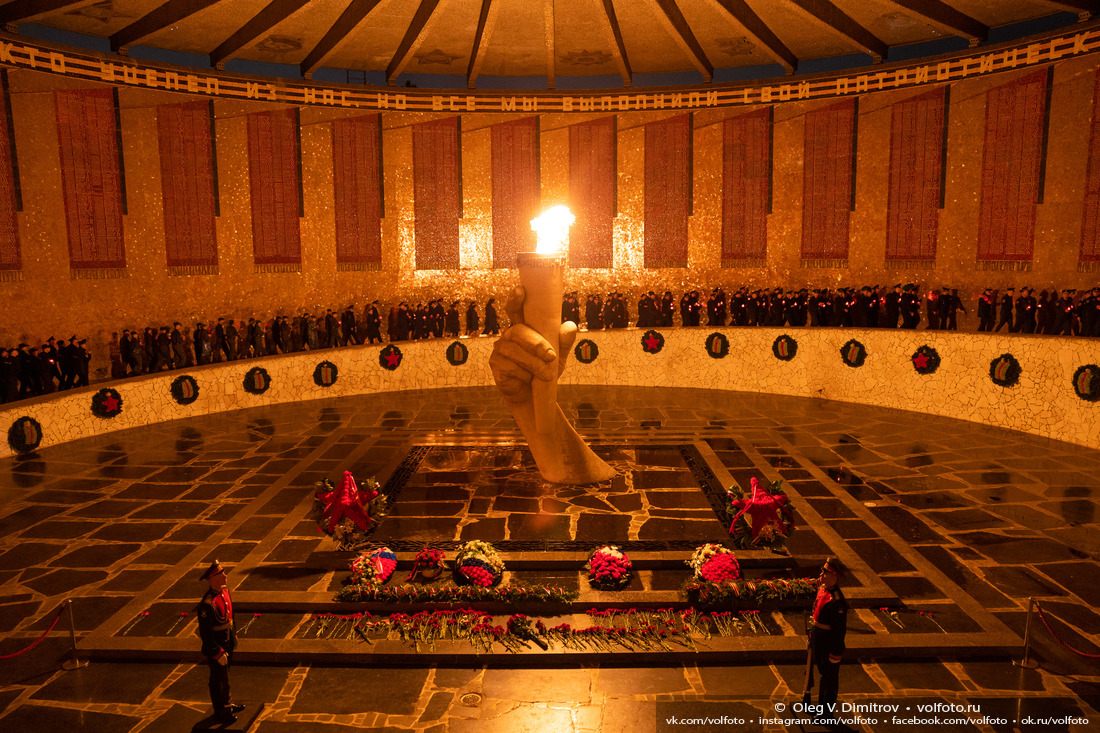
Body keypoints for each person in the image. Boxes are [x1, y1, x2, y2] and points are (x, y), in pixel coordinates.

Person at [196, 561, 245, 725]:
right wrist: (217, 652)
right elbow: (206, 633)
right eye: (221, 573)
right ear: (212, 578)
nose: (225, 575)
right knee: (218, 680)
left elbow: (231, 615)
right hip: (217, 647)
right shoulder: (207, 605)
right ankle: (221, 711)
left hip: (228, 641)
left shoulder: (224, 592)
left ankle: (227, 705)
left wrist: (234, 634)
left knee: (225, 678)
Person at [809, 556, 848, 731]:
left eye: (825, 572)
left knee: (830, 679)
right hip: (819, 638)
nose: (822, 575)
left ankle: (827, 714)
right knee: (823, 675)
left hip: (829, 643)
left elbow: (839, 631)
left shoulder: (837, 601)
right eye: (823, 571)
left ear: (834, 576)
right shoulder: (824, 590)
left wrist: (835, 652)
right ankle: (822, 707)